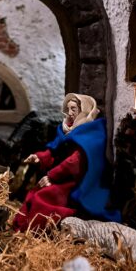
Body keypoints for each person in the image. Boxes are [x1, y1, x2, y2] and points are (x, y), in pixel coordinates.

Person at [13, 93, 120, 232]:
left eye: (73, 109)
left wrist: (51, 176)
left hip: (78, 181)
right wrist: (40, 157)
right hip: (63, 176)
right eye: (68, 109)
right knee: (38, 190)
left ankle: (38, 228)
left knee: (45, 196)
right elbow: (56, 150)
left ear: (84, 111)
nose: (69, 113)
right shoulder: (67, 129)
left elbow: (74, 162)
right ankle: (26, 224)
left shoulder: (92, 133)